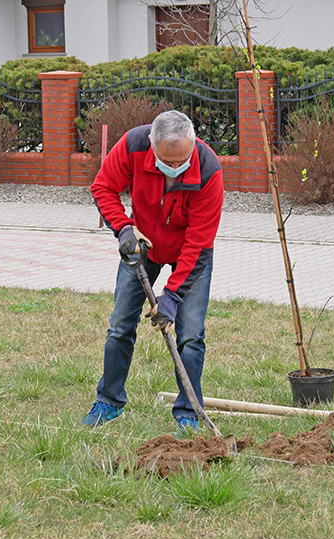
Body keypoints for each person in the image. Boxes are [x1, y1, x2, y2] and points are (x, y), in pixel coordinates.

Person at [81, 110, 224, 431]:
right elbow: (103, 187)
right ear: (152, 146)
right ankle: (109, 401)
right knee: (120, 324)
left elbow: (199, 241)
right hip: (143, 245)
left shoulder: (208, 168)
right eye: (166, 161)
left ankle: (188, 412)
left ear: (193, 144)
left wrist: (173, 296)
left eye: (181, 161)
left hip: (190, 252)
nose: (174, 168)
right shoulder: (133, 145)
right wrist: (124, 229)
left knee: (190, 335)